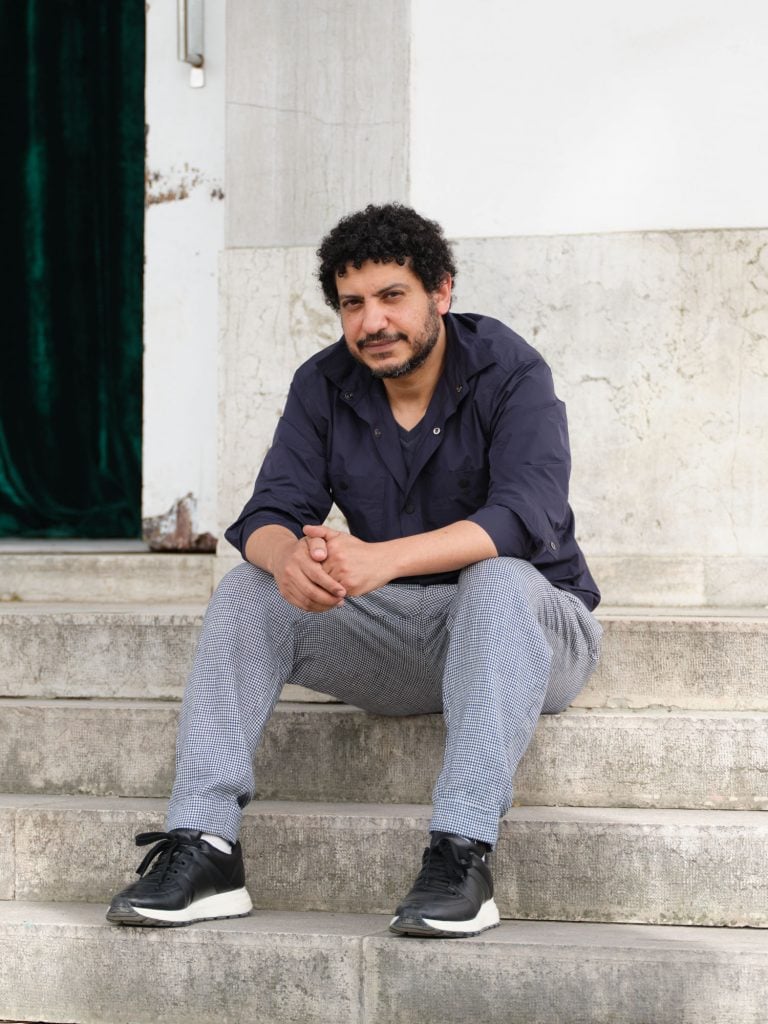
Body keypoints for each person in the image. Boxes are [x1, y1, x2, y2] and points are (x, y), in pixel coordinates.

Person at [107, 203, 602, 937]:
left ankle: (460, 854)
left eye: (392, 296)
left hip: (536, 629)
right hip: (407, 639)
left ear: (441, 291)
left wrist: (382, 560)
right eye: (352, 304)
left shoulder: (509, 369)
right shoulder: (325, 383)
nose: (372, 322)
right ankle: (205, 847)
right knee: (250, 588)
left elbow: (523, 518)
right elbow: (268, 512)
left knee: (495, 580)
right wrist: (292, 561)